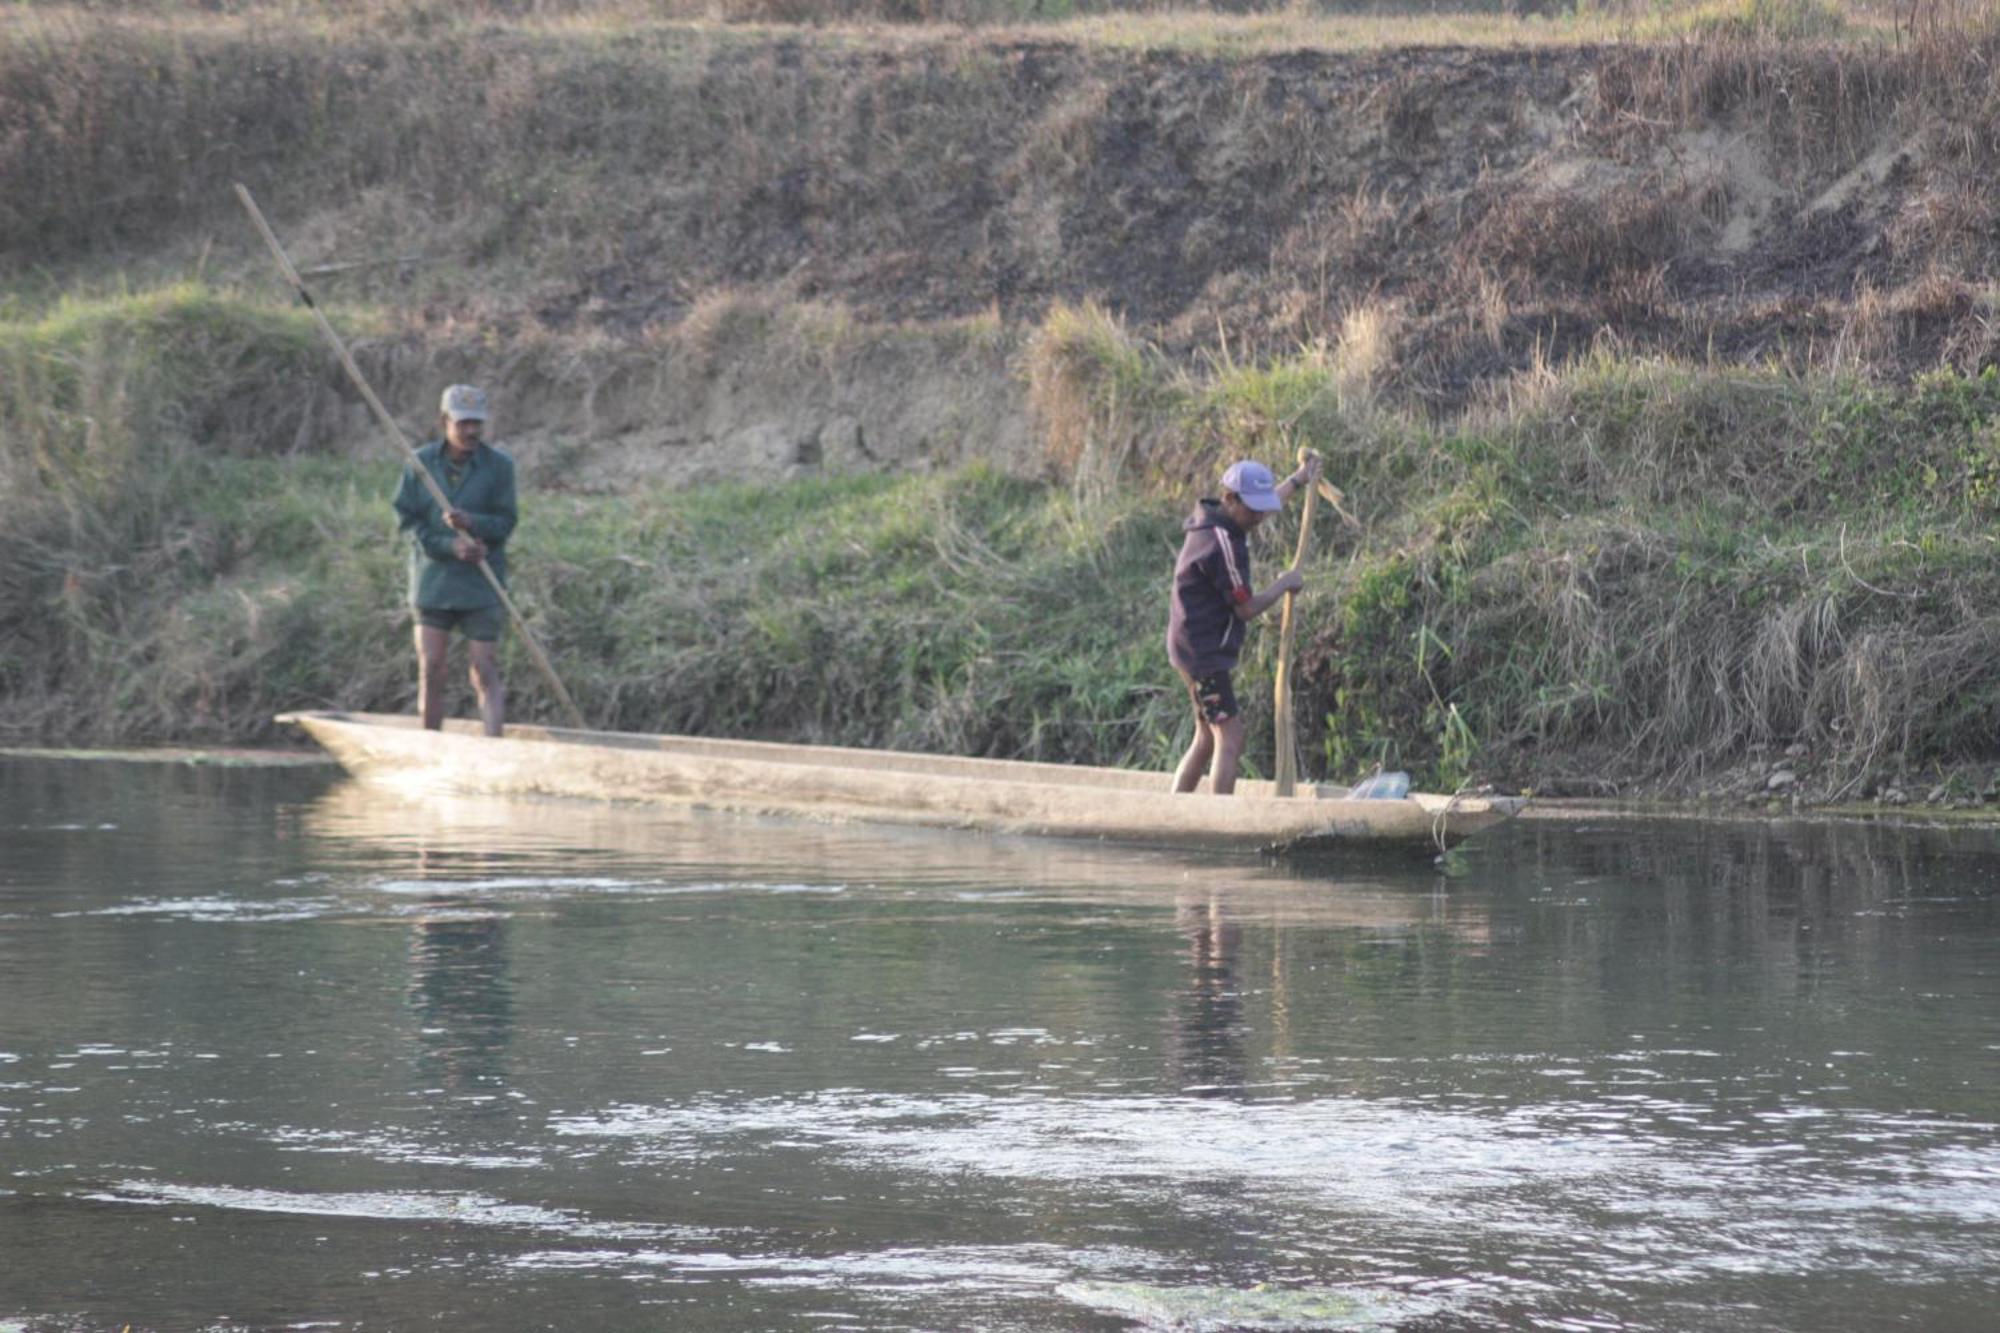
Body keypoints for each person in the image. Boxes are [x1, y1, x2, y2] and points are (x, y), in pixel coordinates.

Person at [1166, 454, 1321, 795]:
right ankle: (1219, 819)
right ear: (1230, 499)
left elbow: (1266, 505)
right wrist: (1283, 584)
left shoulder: (1220, 523)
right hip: (1202, 653)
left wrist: (1298, 479)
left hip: (1189, 646)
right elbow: (1246, 609)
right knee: (1230, 736)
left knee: (1207, 736)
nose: (1259, 516)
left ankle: (1178, 808)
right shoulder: (1221, 545)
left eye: (1261, 508)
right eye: (1252, 509)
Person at [393, 384, 516, 736]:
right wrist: (450, 546)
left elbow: (506, 522)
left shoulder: (499, 466)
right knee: (431, 667)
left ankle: (494, 747)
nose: (472, 431)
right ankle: (431, 743)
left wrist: (474, 527)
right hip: (434, 583)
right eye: (464, 423)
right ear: (444, 421)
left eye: (477, 422)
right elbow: (408, 524)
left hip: (482, 582)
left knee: (484, 669)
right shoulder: (419, 465)